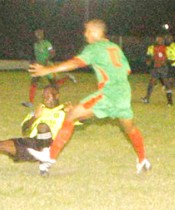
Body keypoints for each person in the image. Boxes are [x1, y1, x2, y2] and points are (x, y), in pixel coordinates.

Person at [28, 19, 151, 175]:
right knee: (130, 128)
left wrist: (48, 70)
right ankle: (142, 160)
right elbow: (126, 70)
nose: (85, 34)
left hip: (108, 93)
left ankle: (49, 158)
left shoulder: (95, 47)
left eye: (87, 31)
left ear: (95, 32)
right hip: (124, 93)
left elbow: (75, 63)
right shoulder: (115, 48)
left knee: (71, 115)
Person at [0, 85, 71, 176]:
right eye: (44, 97)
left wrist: (72, 113)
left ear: (57, 96)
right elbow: (24, 129)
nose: (46, 100)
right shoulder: (39, 110)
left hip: (50, 145)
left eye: (49, 96)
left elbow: (84, 119)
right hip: (32, 143)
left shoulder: (64, 112)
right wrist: (35, 117)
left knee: (43, 127)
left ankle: (44, 162)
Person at [22, 29, 77, 108]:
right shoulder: (35, 44)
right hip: (39, 66)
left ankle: (67, 77)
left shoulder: (47, 43)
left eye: (40, 33)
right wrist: (34, 61)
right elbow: (38, 56)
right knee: (33, 82)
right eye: (37, 34)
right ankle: (30, 102)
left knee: (54, 85)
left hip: (48, 65)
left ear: (43, 35)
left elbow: (52, 53)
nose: (39, 35)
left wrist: (46, 60)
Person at [142, 35, 173, 106]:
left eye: (161, 40)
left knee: (166, 83)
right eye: (158, 40)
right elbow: (153, 56)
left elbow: (168, 58)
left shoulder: (165, 48)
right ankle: (147, 98)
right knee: (152, 82)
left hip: (163, 68)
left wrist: (164, 61)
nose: (160, 41)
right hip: (156, 67)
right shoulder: (154, 48)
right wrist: (149, 61)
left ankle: (170, 101)